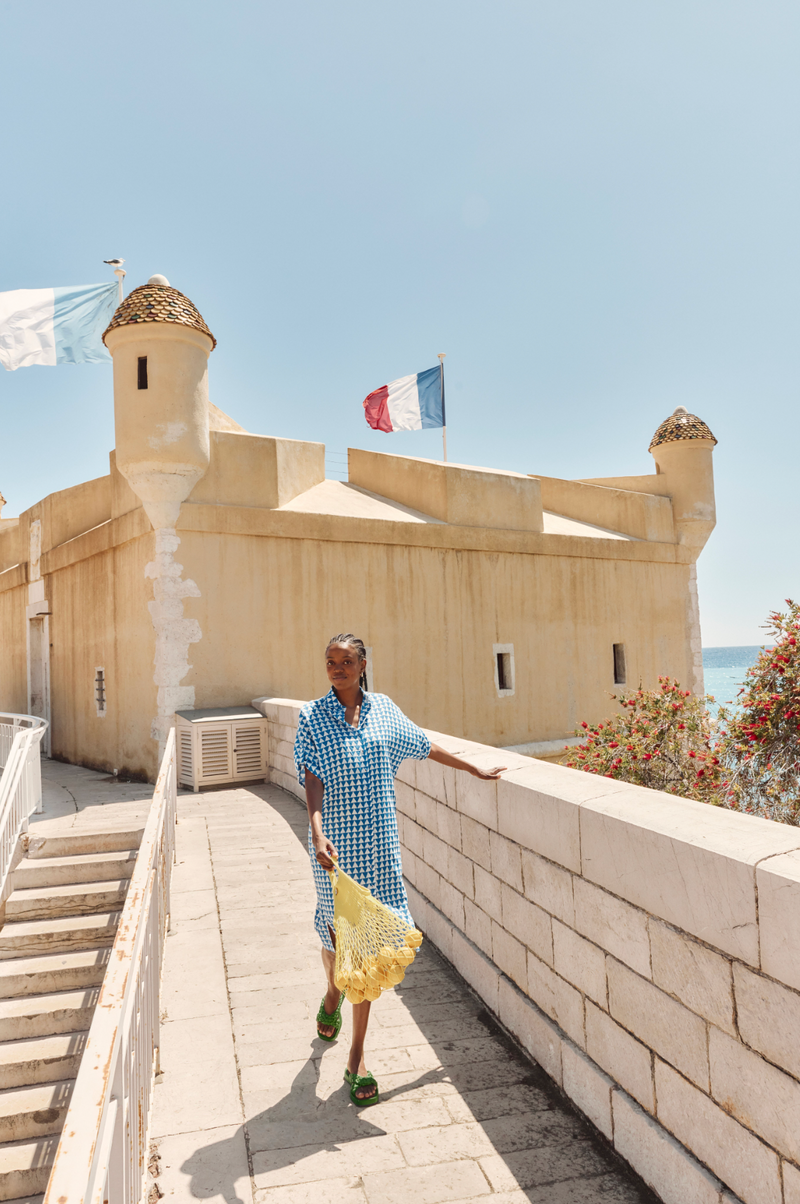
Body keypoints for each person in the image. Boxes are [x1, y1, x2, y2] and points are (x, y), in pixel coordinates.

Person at [294, 633, 506, 1107]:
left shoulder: (385, 710)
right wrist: (315, 829)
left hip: (379, 849)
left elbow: (424, 745)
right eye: (330, 662)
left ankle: (356, 1057)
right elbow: (310, 776)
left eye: (346, 661)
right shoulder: (311, 717)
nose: (337, 669)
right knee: (336, 941)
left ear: (363, 664)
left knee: (366, 949)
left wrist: (472, 768)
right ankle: (332, 996)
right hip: (333, 850)